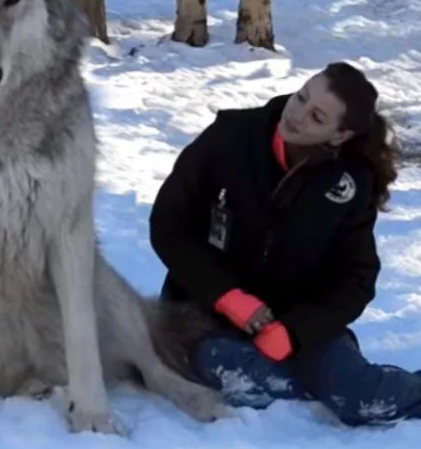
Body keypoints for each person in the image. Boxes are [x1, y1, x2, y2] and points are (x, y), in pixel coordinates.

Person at [148, 61, 421, 427]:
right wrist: (227, 297)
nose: (297, 115)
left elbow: (357, 278)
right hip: (203, 315)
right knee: (243, 376)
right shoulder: (229, 137)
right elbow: (168, 226)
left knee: (355, 394)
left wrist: (295, 332)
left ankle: (362, 385)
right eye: (301, 97)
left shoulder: (350, 183)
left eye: (316, 116)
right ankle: (312, 383)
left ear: (339, 135)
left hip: (297, 322)